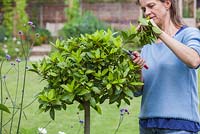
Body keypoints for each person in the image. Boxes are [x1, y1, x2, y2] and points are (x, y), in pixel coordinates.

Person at [133, 0, 200, 133]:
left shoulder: (188, 34)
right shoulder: (147, 45)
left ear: (167, 3)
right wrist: (136, 69)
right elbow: (137, 91)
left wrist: (159, 33)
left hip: (179, 125)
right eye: (143, 9)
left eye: (151, 6)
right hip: (148, 125)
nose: (146, 13)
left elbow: (194, 60)